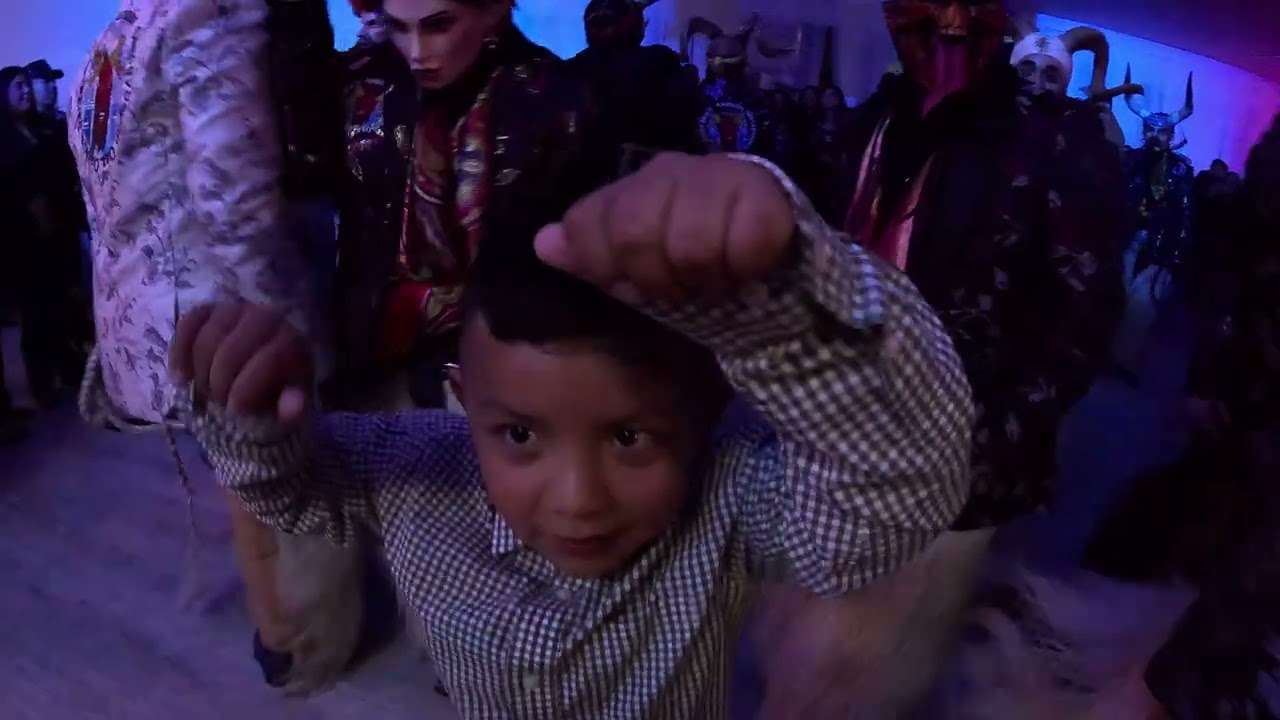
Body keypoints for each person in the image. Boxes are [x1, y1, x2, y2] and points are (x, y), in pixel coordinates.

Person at [172, 152, 975, 719]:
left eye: (631, 438)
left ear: (704, 420)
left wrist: (790, 303)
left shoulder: (728, 501)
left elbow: (893, 497)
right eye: (519, 434)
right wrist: (253, 406)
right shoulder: (414, 467)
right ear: (462, 397)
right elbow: (294, 490)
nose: (578, 501)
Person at [751, 0, 1128, 715]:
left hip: (944, 484)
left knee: (867, 682)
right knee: (792, 661)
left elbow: (1080, 320)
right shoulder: (874, 120)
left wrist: (978, 448)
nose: (951, 17)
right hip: (828, 454)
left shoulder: (1058, 141)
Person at [67, 0, 364, 695]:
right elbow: (235, 200)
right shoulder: (212, 10)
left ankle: (279, 639)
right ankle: (302, 650)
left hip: (153, 324)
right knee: (283, 500)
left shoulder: (113, 39)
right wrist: (299, 345)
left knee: (240, 488)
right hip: (227, 323)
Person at [332, 0, 644, 412]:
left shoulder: (560, 101)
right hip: (371, 354)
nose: (416, 51)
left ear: (493, 10)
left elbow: (579, 266)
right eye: (399, 28)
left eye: (438, 25)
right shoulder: (361, 86)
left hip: (515, 356)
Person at [0, 66, 85, 410]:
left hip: (54, 236)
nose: (26, 93)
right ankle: (41, 384)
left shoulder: (39, 130)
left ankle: (67, 369)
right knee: (36, 315)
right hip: (25, 243)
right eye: (18, 86)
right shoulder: (5, 138)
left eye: (26, 87)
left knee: (60, 305)